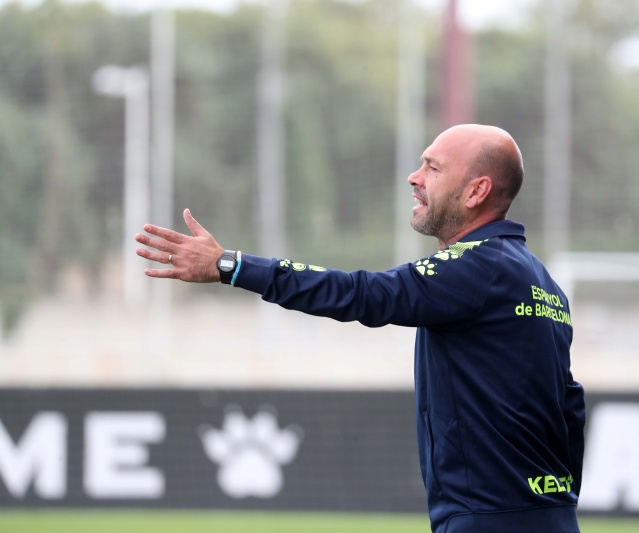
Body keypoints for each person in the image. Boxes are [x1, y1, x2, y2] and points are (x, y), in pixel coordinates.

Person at [135, 124, 585, 533]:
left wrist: (231, 266)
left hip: (488, 521)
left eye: (432, 168)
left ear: (476, 191)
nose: (414, 177)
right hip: (552, 517)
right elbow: (570, 406)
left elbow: (360, 293)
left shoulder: (476, 267)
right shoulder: (544, 285)